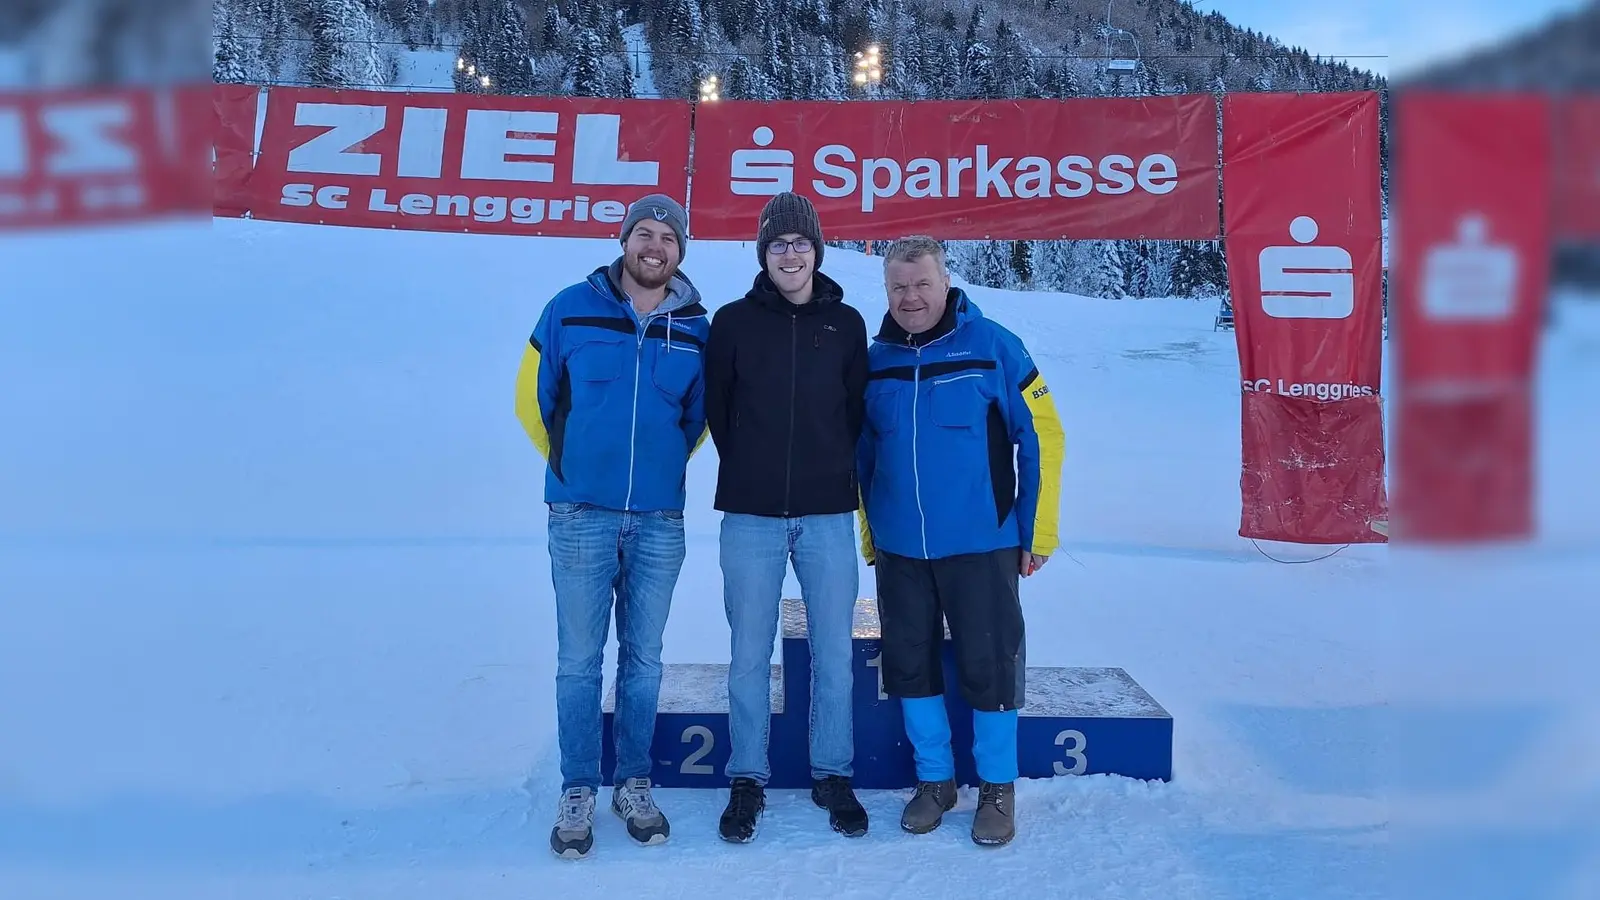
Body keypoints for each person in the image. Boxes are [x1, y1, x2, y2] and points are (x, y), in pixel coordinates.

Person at [514, 193, 710, 860]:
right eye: (645, 234)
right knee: (578, 661)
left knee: (645, 660)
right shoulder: (568, 308)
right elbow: (533, 399)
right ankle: (578, 786)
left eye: (668, 238)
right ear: (624, 240)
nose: (655, 246)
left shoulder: (696, 329)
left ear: (680, 252)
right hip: (581, 515)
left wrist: (655, 471)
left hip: (658, 519)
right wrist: (575, 467)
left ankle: (632, 780)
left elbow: (696, 421)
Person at [855, 235, 1065, 847]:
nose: (910, 297)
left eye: (921, 284)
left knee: (990, 663)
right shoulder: (875, 362)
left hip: (983, 542)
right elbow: (863, 458)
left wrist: (1037, 529)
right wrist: (873, 538)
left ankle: (997, 786)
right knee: (909, 664)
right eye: (898, 287)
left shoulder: (994, 346)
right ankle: (935, 781)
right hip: (901, 549)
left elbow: (1043, 436)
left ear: (945, 283)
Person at [704, 191, 871, 843]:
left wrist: (828, 471)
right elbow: (720, 410)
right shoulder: (733, 323)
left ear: (817, 250)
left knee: (834, 650)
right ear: (763, 254)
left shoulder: (848, 324)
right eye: (779, 243)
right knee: (748, 652)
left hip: (828, 512)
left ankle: (833, 772)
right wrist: (753, 466)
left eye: (802, 242)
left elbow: (855, 412)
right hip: (751, 515)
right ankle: (747, 776)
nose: (791, 253)